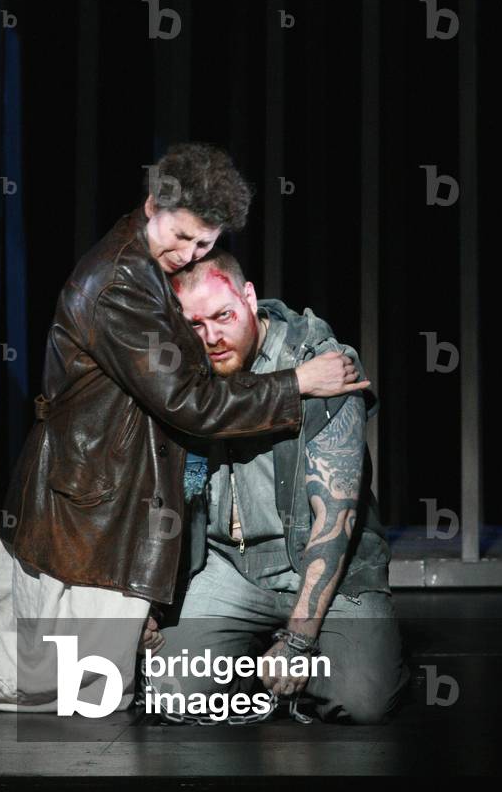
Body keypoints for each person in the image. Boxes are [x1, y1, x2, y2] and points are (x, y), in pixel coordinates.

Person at [0, 143, 368, 712]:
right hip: (107, 506)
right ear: (153, 206)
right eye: (182, 237)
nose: (190, 253)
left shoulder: (145, 266)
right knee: (95, 682)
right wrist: (297, 382)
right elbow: (191, 402)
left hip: (83, 483)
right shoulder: (121, 286)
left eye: (206, 243)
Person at [147, 248, 408, 725]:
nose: (212, 337)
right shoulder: (186, 373)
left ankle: (296, 662)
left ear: (248, 298)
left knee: (363, 698)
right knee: (167, 692)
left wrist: (299, 638)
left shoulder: (323, 363)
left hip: (325, 564)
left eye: (224, 316)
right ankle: (255, 671)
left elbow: (336, 519)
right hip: (231, 566)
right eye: (195, 325)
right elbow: (157, 485)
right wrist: (147, 596)